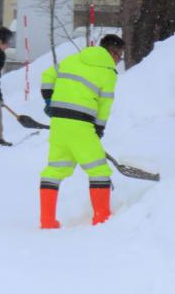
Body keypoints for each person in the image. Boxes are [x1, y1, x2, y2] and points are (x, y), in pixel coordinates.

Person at [38, 34, 125, 229]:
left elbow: (46, 77)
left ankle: (47, 220)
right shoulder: (107, 72)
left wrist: (50, 101)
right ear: (112, 52)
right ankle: (102, 219)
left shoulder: (73, 59)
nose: (119, 61)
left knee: (55, 168)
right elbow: (105, 105)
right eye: (120, 56)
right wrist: (99, 128)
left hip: (59, 123)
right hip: (82, 124)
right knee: (99, 170)